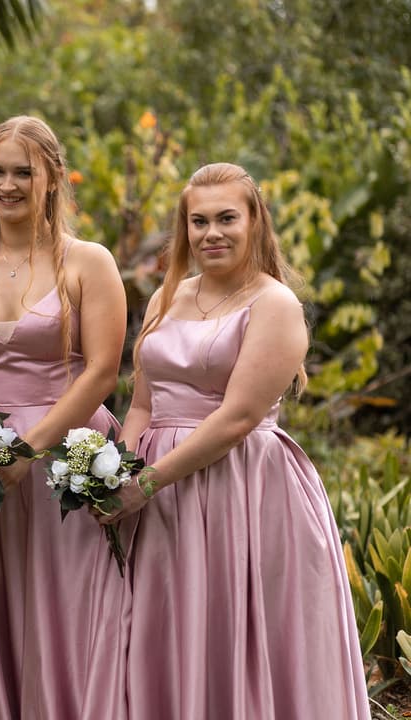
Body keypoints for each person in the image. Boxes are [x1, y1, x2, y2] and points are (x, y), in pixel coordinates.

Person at [99, 162, 369, 718]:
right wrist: (114, 469)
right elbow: (144, 404)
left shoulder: (274, 304)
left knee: (233, 627)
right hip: (159, 494)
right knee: (165, 625)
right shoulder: (165, 298)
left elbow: (238, 418)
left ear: (255, 222)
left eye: (227, 218)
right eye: (199, 221)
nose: (211, 233)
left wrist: (145, 483)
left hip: (240, 486)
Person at [0, 115, 130, 719]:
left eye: (24, 172)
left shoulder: (87, 263)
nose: (8, 184)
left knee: (68, 613)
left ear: (53, 179)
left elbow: (101, 372)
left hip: (68, 463)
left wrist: (27, 452)